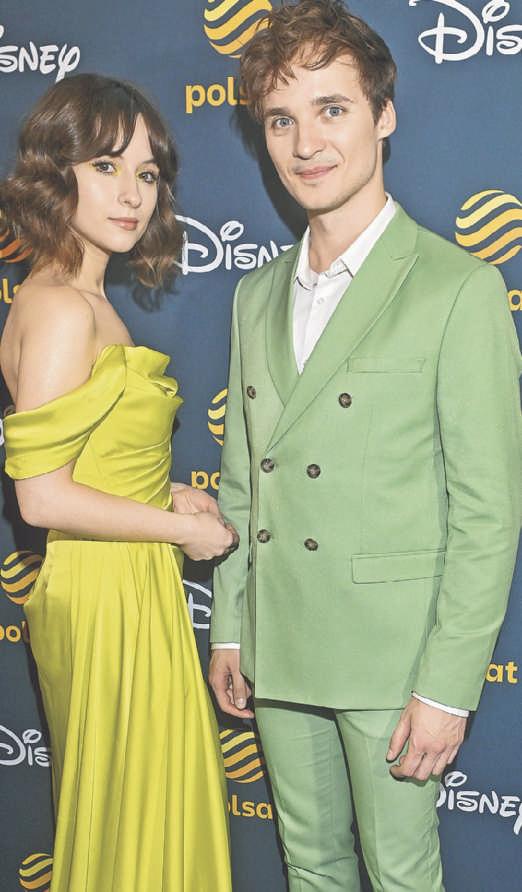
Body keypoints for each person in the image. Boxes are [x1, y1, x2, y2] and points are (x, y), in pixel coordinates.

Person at [209, 2, 522, 890]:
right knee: (309, 866)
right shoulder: (253, 295)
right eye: (281, 119)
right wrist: (231, 626)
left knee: (400, 875)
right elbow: (243, 483)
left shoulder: (457, 289)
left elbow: (489, 513)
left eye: (332, 109)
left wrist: (447, 686)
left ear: (383, 115)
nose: (306, 143)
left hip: (394, 659)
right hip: (279, 642)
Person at [0, 74, 235, 892]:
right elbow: (40, 496)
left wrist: (165, 496)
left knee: (135, 813)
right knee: (130, 822)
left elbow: (85, 464)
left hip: (123, 580)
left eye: (147, 172)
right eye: (106, 166)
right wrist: (182, 530)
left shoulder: (79, 297)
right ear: (54, 172)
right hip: (107, 595)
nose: (133, 194)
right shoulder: (64, 308)